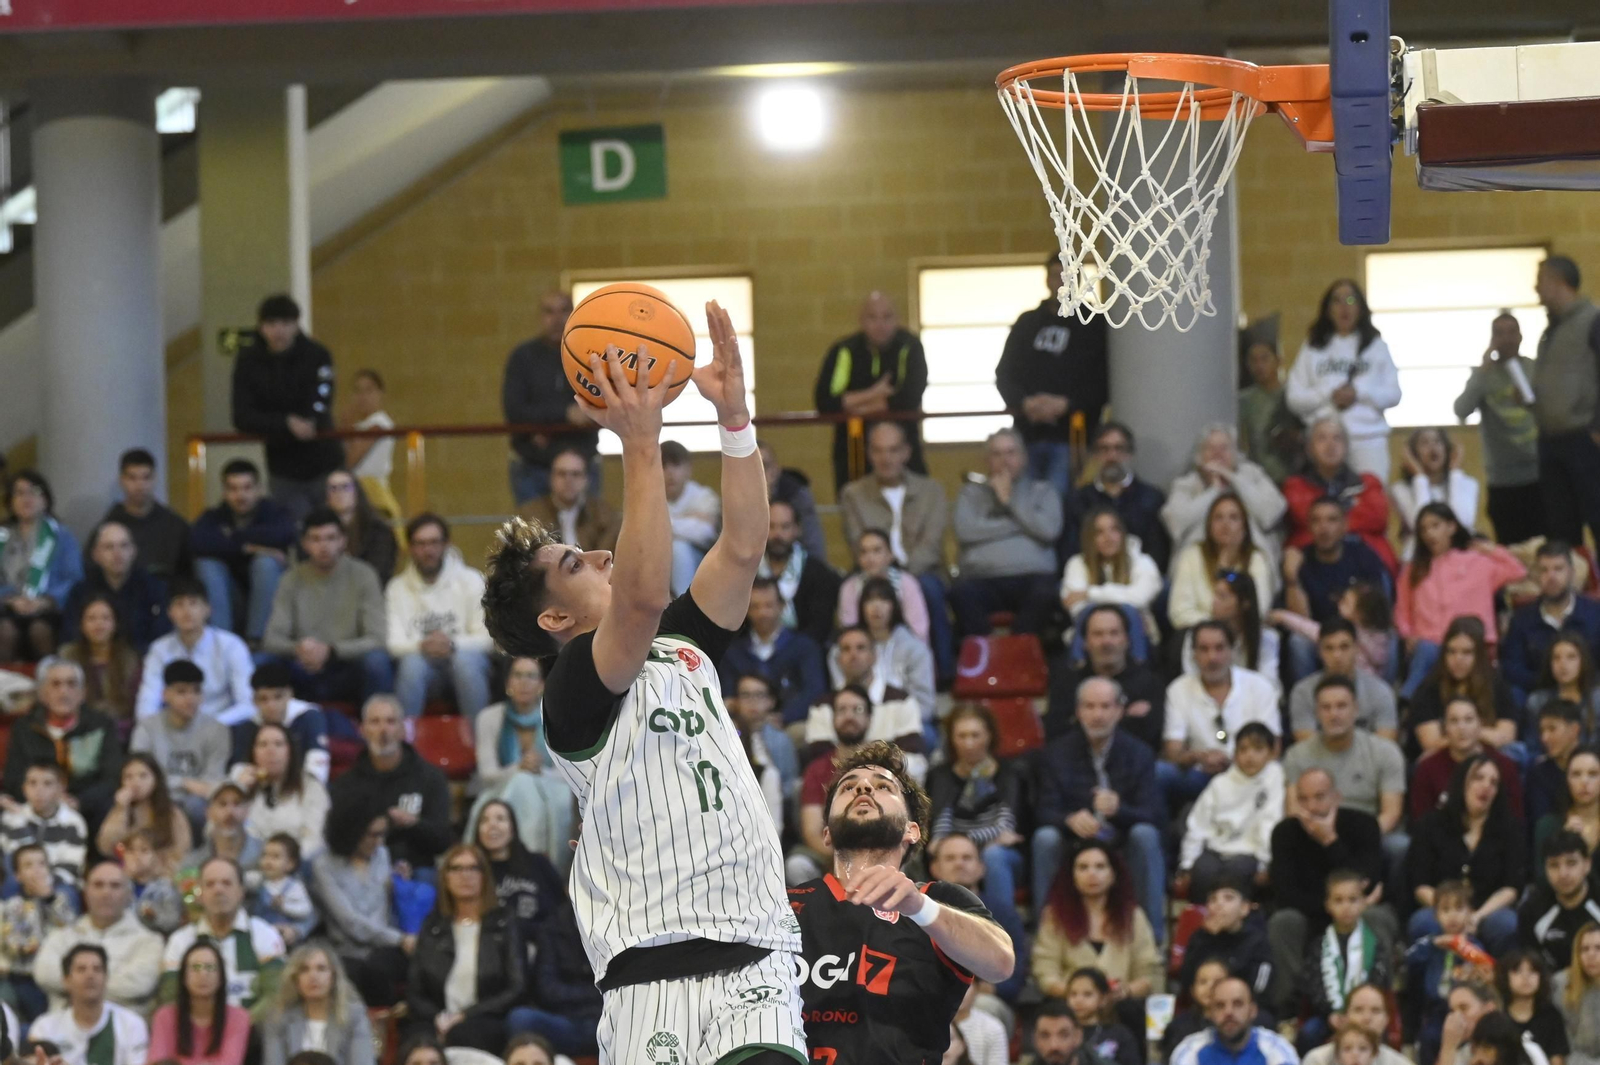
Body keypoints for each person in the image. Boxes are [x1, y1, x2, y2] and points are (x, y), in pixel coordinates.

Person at [479, 302, 807, 1065]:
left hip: (754, 949)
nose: (596, 555)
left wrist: (734, 419)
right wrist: (637, 442)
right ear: (557, 620)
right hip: (649, 973)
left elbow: (744, 540)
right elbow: (639, 596)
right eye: (574, 564)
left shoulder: (683, 643)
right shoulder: (571, 691)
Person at [789, 740, 1013, 1064]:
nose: (864, 786)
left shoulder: (937, 901)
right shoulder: (784, 906)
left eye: (883, 786)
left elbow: (1000, 963)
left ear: (912, 830)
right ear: (827, 834)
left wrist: (918, 908)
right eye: (847, 787)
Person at [1034, 675, 1167, 938]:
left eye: (1106, 707)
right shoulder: (1056, 753)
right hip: (1075, 843)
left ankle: (1153, 941)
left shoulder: (1140, 753)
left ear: (1119, 710)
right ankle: (1045, 939)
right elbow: (1041, 811)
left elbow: (1154, 815)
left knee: (1146, 835)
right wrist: (1068, 819)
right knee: (1044, 838)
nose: (1098, 715)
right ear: (1078, 711)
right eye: (1090, 707)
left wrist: (1120, 810)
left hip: (1121, 839)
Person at [1267, 769, 1396, 1018]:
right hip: (1314, 917)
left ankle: (1377, 1005)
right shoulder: (1284, 833)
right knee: (1283, 922)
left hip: (1359, 913)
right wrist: (1334, 906)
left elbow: (1368, 884)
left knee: (1377, 917)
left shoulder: (1364, 825)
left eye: (1319, 797)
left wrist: (1330, 841)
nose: (1311, 807)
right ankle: (1291, 1011)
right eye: (1303, 799)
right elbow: (1285, 895)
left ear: (1336, 797)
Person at [995, 254, 1110, 496]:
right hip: (1027, 435)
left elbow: (1104, 381)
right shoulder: (1027, 324)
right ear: (1046, 280)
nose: (1059, 282)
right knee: (1023, 499)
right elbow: (1004, 373)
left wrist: (1066, 404)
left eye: (1066, 277)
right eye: (1054, 276)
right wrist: (1025, 402)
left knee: (1061, 501)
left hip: (1072, 436)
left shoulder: (1094, 324)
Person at [839, 420, 950, 668]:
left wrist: (901, 575)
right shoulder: (853, 494)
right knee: (848, 590)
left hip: (921, 571)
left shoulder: (931, 491)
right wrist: (880, 569)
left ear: (906, 453)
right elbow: (857, 541)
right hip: (870, 571)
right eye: (878, 450)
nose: (885, 458)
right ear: (869, 454)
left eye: (893, 450)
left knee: (927, 588)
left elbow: (931, 546)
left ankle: (942, 670)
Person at [262, 508, 391, 704]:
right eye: (316, 539)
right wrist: (298, 648)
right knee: (262, 662)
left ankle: (377, 722)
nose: (324, 546)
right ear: (305, 544)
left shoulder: (364, 575)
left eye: (331, 538)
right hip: (302, 666)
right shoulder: (291, 579)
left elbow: (376, 638)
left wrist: (331, 651)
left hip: (346, 666)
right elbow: (272, 639)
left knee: (377, 661)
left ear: (343, 541)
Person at [1396, 504, 1526, 698]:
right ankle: (1408, 699)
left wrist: (1491, 549)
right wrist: (1408, 635)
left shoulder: (1477, 562)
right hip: (1430, 645)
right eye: (1424, 529)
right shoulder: (1413, 570)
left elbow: (1518, 571)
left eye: (1435, 525)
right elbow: (1402, 609)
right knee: (1426, 651)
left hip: (1471, 645)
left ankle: (1406, 698)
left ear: (1451, 527)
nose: (1430, 533)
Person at [231, 293, 343, 519]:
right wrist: (285, 423)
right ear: (261, 327)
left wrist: (311, 420)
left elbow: (324, 395)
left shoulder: (317, 355)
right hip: (283, 466)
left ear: (296, 325)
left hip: (324, 459)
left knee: (334, 526)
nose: (278, 331)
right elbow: (241, 415)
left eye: (286, 323)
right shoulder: (248, 361)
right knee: (297, 531)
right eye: (271, 324)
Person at [1033, 840, 1163, 1033]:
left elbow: (1149, 972)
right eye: (1083, 867)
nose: (1092, 874)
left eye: (1100, 867)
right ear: (1072, 876)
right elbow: (1045, 970)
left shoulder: (1133, 916)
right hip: (1070, 1003)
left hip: (1120, 1005)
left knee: (1131, 1010)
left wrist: (1125, 991)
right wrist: (1078, 995)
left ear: (1113, 874)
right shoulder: (1054, 916)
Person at [404, 843, 522, 1055]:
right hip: (437, 1016)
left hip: (486, 1018)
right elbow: (415, 992)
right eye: (456, 868)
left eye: (472, 868)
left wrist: (465, 1015)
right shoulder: (432, 926)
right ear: (445, 877)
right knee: (416, 1042)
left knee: (462, 1034)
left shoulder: (503, 922)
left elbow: (516, 987)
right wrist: (439, 1018)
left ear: (484, 876)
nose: (465, 875)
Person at [947, 427, 1064, 639]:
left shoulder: (1044, 491)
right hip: (980, 578)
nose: (1004, 460)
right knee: (959, 593)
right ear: (986, 460)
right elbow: (966, 531)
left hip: (1034, 577)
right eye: (997, 454)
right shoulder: (969, 494)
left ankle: (1019, 652)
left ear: (1024, 458)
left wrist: (1009, 502)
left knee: (1046, 594)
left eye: (1011, 453)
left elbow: (1049, 531)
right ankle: (986, 655)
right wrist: (1022, 524)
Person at [1406, 754, 1526, 954]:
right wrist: (1449, 912)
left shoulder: (1510, 829)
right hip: (1441, 909)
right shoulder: (1431, 824)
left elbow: (1512, 887)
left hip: (1487, 910)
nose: (1486, 786)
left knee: (1506, 924)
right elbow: (1420, 884)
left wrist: (1474, 917)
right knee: (1423, 922)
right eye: (1478, 778)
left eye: (1493, 782)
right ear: (1462, 782)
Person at [1282, 676, 1406, 865]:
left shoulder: (1385, 752)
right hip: (1313, 830)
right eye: (1326, 707)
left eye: (1341, 706)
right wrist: (1322, 834)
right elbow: (1294, 810)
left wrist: (1354, 839)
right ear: (1316, 713)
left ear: (1355, 709)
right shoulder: (1297, 755)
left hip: (1368, 832)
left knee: (1399, 846)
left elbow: (1391, 813)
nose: (1334, 714)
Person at [927, 705, 1027, 940]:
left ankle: (999, 934)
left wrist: (958, 843)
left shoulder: (1009, 772)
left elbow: (1007, 830)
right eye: (962, 736)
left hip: (1003, 855)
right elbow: (938, 825)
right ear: (952, 739)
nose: (969, 743)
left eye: (975, 735)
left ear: (989, 736)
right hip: (959, 849)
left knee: (993, 855)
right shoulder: (939, 776)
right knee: (946, 856)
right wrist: (957, 847)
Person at [1286, 278, 1402, 479]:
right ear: (1327, 309)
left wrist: (1358, 394)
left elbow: (1394, 394)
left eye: (1350, 300)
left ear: (1360, 307)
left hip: (1367, 440)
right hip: (1323, 443)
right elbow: (1294, 399)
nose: (1344, 307)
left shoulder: (1376, 347)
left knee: (1370, 503)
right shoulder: (1312, 348)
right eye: (1337, 301)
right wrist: (1328, 394)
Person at [814, 290, 930, 491]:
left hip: (904, 446)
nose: (880, 324)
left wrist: (854, 405)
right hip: (853, 449)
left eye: (887, 317)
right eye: (872, 317)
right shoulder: (844, 350)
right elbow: (824, 402)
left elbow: (910, 397)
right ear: (861, 320)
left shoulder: (910, 346)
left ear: (897, 318)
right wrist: (875, 393)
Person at [328, 695, 453, 875]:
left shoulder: (431, 777)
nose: (383, 729)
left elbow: (442, 841)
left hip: (415, 871)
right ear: (362, 730)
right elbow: (337, 841)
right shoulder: (346, 783)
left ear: (403, 730)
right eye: (375, 722)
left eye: (390, 722)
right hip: (360, 870)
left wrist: (413, 823)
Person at [386, 512, 492, 719]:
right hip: (422, 667)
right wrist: (422, 645)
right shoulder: (396, 588)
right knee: (411, 665)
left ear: (446, 544)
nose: (428, 550)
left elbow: (488, 639)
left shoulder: (471, 580)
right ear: (410, 548)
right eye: (420, 543)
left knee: (465, 663)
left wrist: (451, 644)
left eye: (434, 542)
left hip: (465, 663)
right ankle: (406, 744)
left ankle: (482, 744)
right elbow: (392, 643)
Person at [469, 657, 574, 865]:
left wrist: (536, 771)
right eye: (517, 675)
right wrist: (519, 768)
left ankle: (529, 863)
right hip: (500, 788)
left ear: (541, 684)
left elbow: (569, 773)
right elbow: (487, 774)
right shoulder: (488, 717)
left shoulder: (560, 717)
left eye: (530, 676)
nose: (524, 682)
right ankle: (528, 861)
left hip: (552, 788)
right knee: (521, 783)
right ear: (508, 683)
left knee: (526, 784)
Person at [1161, 621, 1281, 802]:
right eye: (1204, 649)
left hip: (1250, 773)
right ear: (1193, 654)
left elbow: (1274, 748)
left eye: (1219, 648)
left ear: (1233, 651)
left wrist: (1237, 761)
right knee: (1160, 773)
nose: (1212, 658)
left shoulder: (1259, 686)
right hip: (1200, 774)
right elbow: (1173, 751)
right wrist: (1199, 757)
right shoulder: (1178, 689)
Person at [310, 791, 410, 1009]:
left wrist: (399, 884)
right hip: (347, 948)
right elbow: (349, 922)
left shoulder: (382, 855)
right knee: (361, 972)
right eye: (371, 835)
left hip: (384, 946)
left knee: (384, 967)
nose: (378, 842)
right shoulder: (324, 865)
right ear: (350, 831)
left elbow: (383, 907)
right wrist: (400, 939)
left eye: (382, 834)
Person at [1455, 311, 1544, 545]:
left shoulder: (1535, 369)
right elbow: (1461, 410)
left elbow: (1552, 412)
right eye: (1499, 333)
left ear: (1521, 336)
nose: (1506, 339)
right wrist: (1482, 370)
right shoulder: (1483, 375)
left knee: (1542, 547)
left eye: (1511, 332)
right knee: (1511, 549)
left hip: (1539, 474)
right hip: (1502, 479)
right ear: (1492, 339)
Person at [502, 290, 597, 506]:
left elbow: (600, 404)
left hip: (583, 463)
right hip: (533, 464)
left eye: (564, 310)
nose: (557, 319)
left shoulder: (589, 354)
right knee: (535, 536)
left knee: (588, 536)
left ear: (573, 313)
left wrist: (544, 426)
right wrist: (565, 415)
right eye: (549, 311)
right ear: (540, 316)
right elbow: (514, 410)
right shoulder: (523, 357)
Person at [1531, 256, 1600, 550]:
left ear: (1558, 281)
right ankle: (1574, 594)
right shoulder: (1550, 331)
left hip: (1584, 439)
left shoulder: (1592, 321)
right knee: (1561, 529)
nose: (1536, 288)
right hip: (1550, 440)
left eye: (1541, 280)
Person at [2, 660, 122, 827]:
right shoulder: (25, 728)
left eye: (71, 684)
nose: (63, 691)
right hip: (35, 808)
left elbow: (111, 778)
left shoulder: (101, 726)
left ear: (82, 693)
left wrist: (78, 802)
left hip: (89, 810)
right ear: (43, 693)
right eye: (55, 684)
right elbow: (14, 778)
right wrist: (45, 800)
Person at [33, 862, 163, 1014]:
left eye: (115, 886)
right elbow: (43, 973)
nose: (106, 892)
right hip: (62, 1029)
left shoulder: (149, 941)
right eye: (98, 885)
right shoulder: (62, 936)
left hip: (123, 1031)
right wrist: (106, 982)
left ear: (129, 895)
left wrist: (75, 983)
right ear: (86, 892)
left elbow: (139, 985)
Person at [160, 856, 286, 1013]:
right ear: (199, 894)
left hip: (255, 1034)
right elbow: (171, 1000)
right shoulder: (180, 941)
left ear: (241, 891)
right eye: (210, 884)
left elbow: (275, 997)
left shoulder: (265, 934)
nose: (218, 890)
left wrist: (237, 1030)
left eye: (227, 883)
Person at [190, 458, 297, 641]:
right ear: (224, 492)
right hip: (231, 599)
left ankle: (257, 640)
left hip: (273, 602)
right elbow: (196, 542)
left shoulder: (276, 513)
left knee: (265, 563)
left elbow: (284, 534)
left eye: (247, 488)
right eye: (233, 489)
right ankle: (221, 643)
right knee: (206, 564)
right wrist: (247, 547)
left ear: (259, 489)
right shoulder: (213, 517)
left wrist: (232, 537)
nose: (241, 495)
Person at [1177, 722, 1284, 902]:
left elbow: (1270, 823)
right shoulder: (1220, 783)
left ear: (1271, 753)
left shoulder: (1276, 778)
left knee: (1237, 874)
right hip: (1216, 848)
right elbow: (1198, 824)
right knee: (1202, 872)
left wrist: (1265, 865)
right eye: (1243, 750)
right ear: (1235, 754)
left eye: (1258, 749)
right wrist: (1187, 865)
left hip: (1251, 853)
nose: (1250, 756)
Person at [1283, 416, 1398, 574]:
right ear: (1309, 448)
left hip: (1366, 562)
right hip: (1314, 564)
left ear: (1346, 446)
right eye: (1321, 438)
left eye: (1337, 438)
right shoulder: (1295, 486)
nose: (1330, 445)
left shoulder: (1368, 483)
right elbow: (1304, 516)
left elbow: (1377, 517)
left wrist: (1330, 520)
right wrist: (1352, 510)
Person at [1046, 602, 1167, 751]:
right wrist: (1125, 717)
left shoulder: (1149, 682)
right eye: (1098, 634)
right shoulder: (1066, 683)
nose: (1106, 642)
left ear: (1127, 640)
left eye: (1114, 633)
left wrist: (1085, 721)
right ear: (1084, 642)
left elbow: (1151, 737)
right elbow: (1056, 735)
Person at [129, 661, 231, 832]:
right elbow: (139, 777)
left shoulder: (217, 730)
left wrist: (181, 785)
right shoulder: (147, 728)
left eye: (196, 691)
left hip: (197, 801)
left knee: (196, 806)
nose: (190, 698)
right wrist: (184, 782)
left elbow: (212, 781)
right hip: (155, 797)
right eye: (182, 692)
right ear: (165, 694)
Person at [468, 800, 564, 977]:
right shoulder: (472, 871)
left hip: (543, 948)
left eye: (500, 819)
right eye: (485, 820)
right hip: (493, 954)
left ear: (512, 828)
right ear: (478, 830)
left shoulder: (538, 863)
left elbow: (561, 909)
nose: (492, 826)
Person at [137, 579, 255, 722]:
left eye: (193, 603)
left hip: (221, 726)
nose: (187, 611)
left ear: (207, 609)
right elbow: (147, 702)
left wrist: (208, 729)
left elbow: (248, 704)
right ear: (170, 612)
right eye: (179, 604)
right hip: (174, 729)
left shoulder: (231, 646)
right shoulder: (159, 649)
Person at [1163, 423, 1288, 558]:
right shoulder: (1185, 484)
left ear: (1236, 454)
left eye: (1224, 448)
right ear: (1199, 456)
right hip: (1198, 563)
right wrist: (1214, 490)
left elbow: (1268, 515)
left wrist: (1232, 478)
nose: (1218, 454)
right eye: (1210, 448)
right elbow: (1176, 524)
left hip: (1252, 561)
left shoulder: (1254, 475)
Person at [1062, 422, 1172, 572]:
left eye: (1119, 448)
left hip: (1142, 580)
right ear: (1095, 455)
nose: (1112, 456)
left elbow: (1158, 552)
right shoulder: (1077, 499)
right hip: (1092, 578)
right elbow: (1071, 549)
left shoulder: (1152, 497)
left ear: (1130, 454)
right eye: (1104, 449)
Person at [1406, 618, 1520, 763]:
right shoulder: (1428, 689)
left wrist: (1462, 735)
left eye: (1466, 653)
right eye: (1451, 652)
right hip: (1445, 761)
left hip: (1487, 760)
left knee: (1514, 752)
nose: (1458, 659)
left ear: (1479, 656)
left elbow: (1505, 737)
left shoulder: (1496, 685)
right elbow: (1431, 744)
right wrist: (1479, 735)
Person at [719, 577, 828, 728]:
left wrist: (784, 717)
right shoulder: (733, 652)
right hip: (743, 725)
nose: (762, 613)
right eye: (755, 607)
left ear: (782, 606)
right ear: (746, 609)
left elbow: (814, 692)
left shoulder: (804, 647)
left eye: (768, 605)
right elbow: (728, 693)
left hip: (791, 724)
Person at [1302, 873, 1394, 1052]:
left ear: (1363, 902)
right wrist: (1330, 1013)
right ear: (1328, 905)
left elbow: (1379, 980)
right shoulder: (1319, 944)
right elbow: (1313, 983)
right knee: (1309, 1032)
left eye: (1353, 900)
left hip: (1366, 1014)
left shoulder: (1375, 943)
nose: (1346, 907)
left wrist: (1360, 1013)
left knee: (1381, 1032)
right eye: (1339, 900)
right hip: (1329, 1015)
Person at [0, 470, 83, 662]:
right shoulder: (1, 536)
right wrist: (10, 599)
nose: (26, 498)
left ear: (45, 499)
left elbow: (74, 578)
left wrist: (46, 601)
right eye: (19, 493)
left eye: (33, 492)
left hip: (49, 608)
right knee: (5, 631)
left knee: (39, 630)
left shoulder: (61, 536)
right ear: (10, 501)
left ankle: (50, 683)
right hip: (7, 607)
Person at [1503, 542, 1600, 705]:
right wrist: (1550, 682)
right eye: (1544, 570)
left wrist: (1578, 682)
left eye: (1558, 569)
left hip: (1590, 691)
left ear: (1571, 573)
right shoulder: (1522, 619)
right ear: (1535, 576)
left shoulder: (1595, 613)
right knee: (1516, 695)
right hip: (1540, 693)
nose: (1551, 576)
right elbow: (1512, 666)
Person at [1170, 492, 1279, 631]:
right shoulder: (1192, 555)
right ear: (1209, 526)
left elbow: (1259, 608)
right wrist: (1217, 628)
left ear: (1245, 527)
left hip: (1244, 635)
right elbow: (1179, 612)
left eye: (1233, 518)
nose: (1225, 524)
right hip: (1199, 636)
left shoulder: (1256, 558)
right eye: (1218, 518)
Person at [1409, 695, 1525, 823]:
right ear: (1445, 728)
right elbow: (1421, 824)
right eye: (1454, 721)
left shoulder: (1504, 766)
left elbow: (1515, 820)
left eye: (1468, 720)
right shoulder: (1427, 769)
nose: (1461, 727)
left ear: (1480, 724)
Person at [27, 944, 149, 1065]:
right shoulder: (44, 1027)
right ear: (66, 980)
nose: (90, 975)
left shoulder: (131, 1024)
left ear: (106, 978)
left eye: (97, 969)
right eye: (81, 969)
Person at [62, 520, 169, 655]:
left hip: (143, 660)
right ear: (96, 554)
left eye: (124, 546)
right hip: (92, 661)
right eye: (109, 547)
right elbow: (70, 633)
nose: (117, 554)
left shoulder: (153, 587)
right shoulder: (81, 591)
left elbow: (162, 633)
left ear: (133, 551)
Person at [260, 943, 376, 1065]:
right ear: (295, 978)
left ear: (333, 977)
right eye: (304, 970)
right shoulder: (278, 1016)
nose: (313, 976)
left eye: (321, 969)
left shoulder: (354, 1015)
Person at [843, 579, 937, 728]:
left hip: (906, 723)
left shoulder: (915, 649)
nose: (876, 607)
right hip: (858, 725)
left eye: (883, 599)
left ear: (894, 606)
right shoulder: (846, 648)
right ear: (861, 607)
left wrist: (889, 724)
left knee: (926, 735)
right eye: (870, 600)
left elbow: (925, 705)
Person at [1060, 507, 1163, 642]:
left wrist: (1089, 594)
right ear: (1089, 538)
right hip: (1091, 636)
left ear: (1122, 533)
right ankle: (1080, 663)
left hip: (1136, 632)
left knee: (1131, 614)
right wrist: (1122, 599)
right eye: (1099, 532)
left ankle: (1138, 662)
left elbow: (1139, 598)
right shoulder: (1077, 563)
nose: (1109, 538)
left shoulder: (1143, 561)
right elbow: (1076, 608)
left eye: (1114, 530)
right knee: (1087, 617)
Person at [0, 843, 78, 1019]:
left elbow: (71, 929)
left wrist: (49, 899)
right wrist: (39, 947)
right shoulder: (14, 906)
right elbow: (13, 943)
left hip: (57, 975)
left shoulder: (59, 900)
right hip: (26, 977)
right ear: (18, 876)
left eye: (41, 864)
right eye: (28, 865)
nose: (36, 870)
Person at [1287, 619, 1399, 742]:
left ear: (1356, 649)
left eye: (1344, 647)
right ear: (1319, 652)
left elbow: (1386, 746)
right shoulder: (1303, 693)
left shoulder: (1380, 692)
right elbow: (1306, 747)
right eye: (1329, 648)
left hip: (1368, 761)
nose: (1337, 656)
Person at [149, 939, 252, 1064]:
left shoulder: (238, 1017)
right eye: (195, 967)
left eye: (210, 967)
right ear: (183, 977)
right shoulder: (165, 1016)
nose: (203, 974)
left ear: (221, 977)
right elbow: (157, 1062)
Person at [1180, 570, 1282, 695]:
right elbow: (1191, 679)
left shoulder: (1267, 638)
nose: (1214, 602)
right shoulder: (1197, 635)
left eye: (1222, 597)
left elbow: (1269, 685)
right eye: (1215, 595)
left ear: (1245, 603)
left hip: (1252, 705)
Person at [756, 501, 842, 646]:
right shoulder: (747, 572)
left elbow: (820, 627)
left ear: (797, 529)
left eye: (785, 527)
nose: (778, 535)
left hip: (803, 654)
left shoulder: (817, 573)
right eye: (771, 526)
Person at [238, 726, 329, 863]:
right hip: (249, 865)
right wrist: (239, 790)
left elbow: (315, 839)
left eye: (278, 744)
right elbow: (219, 833)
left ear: (289, 751)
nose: (271, 751)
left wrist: (284, 864)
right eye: (263, 744)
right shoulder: (240, 784)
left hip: (298, 864)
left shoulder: (311, 787)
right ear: (253, 752)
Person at [230, 663, 331, 785]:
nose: (271, 706)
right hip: (261, 788)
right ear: (254, 701)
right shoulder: (249, 726)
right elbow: (238, 768)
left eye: (278, 697)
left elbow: (318, 762)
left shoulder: (309, 717)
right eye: (264, 699)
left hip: (302, 787)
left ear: (290, 694)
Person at [102, 447, 193, 581]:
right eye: (132, 478)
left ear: (155, 479)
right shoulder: (109, 526)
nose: (140, 485)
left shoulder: (175, 525)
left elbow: (188, 573)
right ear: (122, 480)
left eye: (146, 477)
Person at [1392, 427, 1482, 560]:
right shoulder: (1400, 489)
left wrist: (1455, 473)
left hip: (1462, 558)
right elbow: (1423, 524)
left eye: (1438, 442)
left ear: (1447, 449)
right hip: (1422, 558)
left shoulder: (1469, 483)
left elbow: (1463, 522)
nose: (1432, 447)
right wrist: (1420, 477)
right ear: (1413, 454)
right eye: (1424, 443)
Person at [1168, 975, 1299, 1065]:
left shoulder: (1276, 1050)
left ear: (1253, 1010)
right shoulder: (1190, 1051)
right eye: (1220, 1006)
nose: (1228, 1012)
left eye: (1238, 1004)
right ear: (1210, 1013)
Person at [1519, 830, 1600, 974]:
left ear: (1587, 865)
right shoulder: (1532, 910)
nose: (1563, 874)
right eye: (1554, 865)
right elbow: (1533, 967)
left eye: (1571, 863)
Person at [0, 761, 87, 889]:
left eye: (47, 783)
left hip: (57, 885)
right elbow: (15, 861)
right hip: (18, 884)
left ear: (61, 788)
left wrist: (44, 884)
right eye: (32, 783)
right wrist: (20, 820)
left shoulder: (73, 822)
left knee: (67, 892)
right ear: (24, 788)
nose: (39, 790)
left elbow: (71, 867)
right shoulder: (12, 818)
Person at [57, 593, 141, 725]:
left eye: (106, 618)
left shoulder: (129, 659)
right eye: (91, 618)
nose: (99, 624)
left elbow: (134, 706)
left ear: (115, 623)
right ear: (81, 624)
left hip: (121, 730)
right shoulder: (68, 656)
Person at [518, 445, 620, 553]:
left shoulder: (605, 515)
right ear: (551, 478)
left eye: (575, 474)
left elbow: (607, 555)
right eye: (562, 474)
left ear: (586, 479)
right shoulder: (530, 515)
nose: (568, 480)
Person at [837, 527, 930, 640]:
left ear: (890, 555)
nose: (870, 558)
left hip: (903, 647)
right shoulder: (849, 587)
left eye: (877, 550)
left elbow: (919, 631)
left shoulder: (907, 583)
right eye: (864, 552)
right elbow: (849, 631)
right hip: (864, 650)